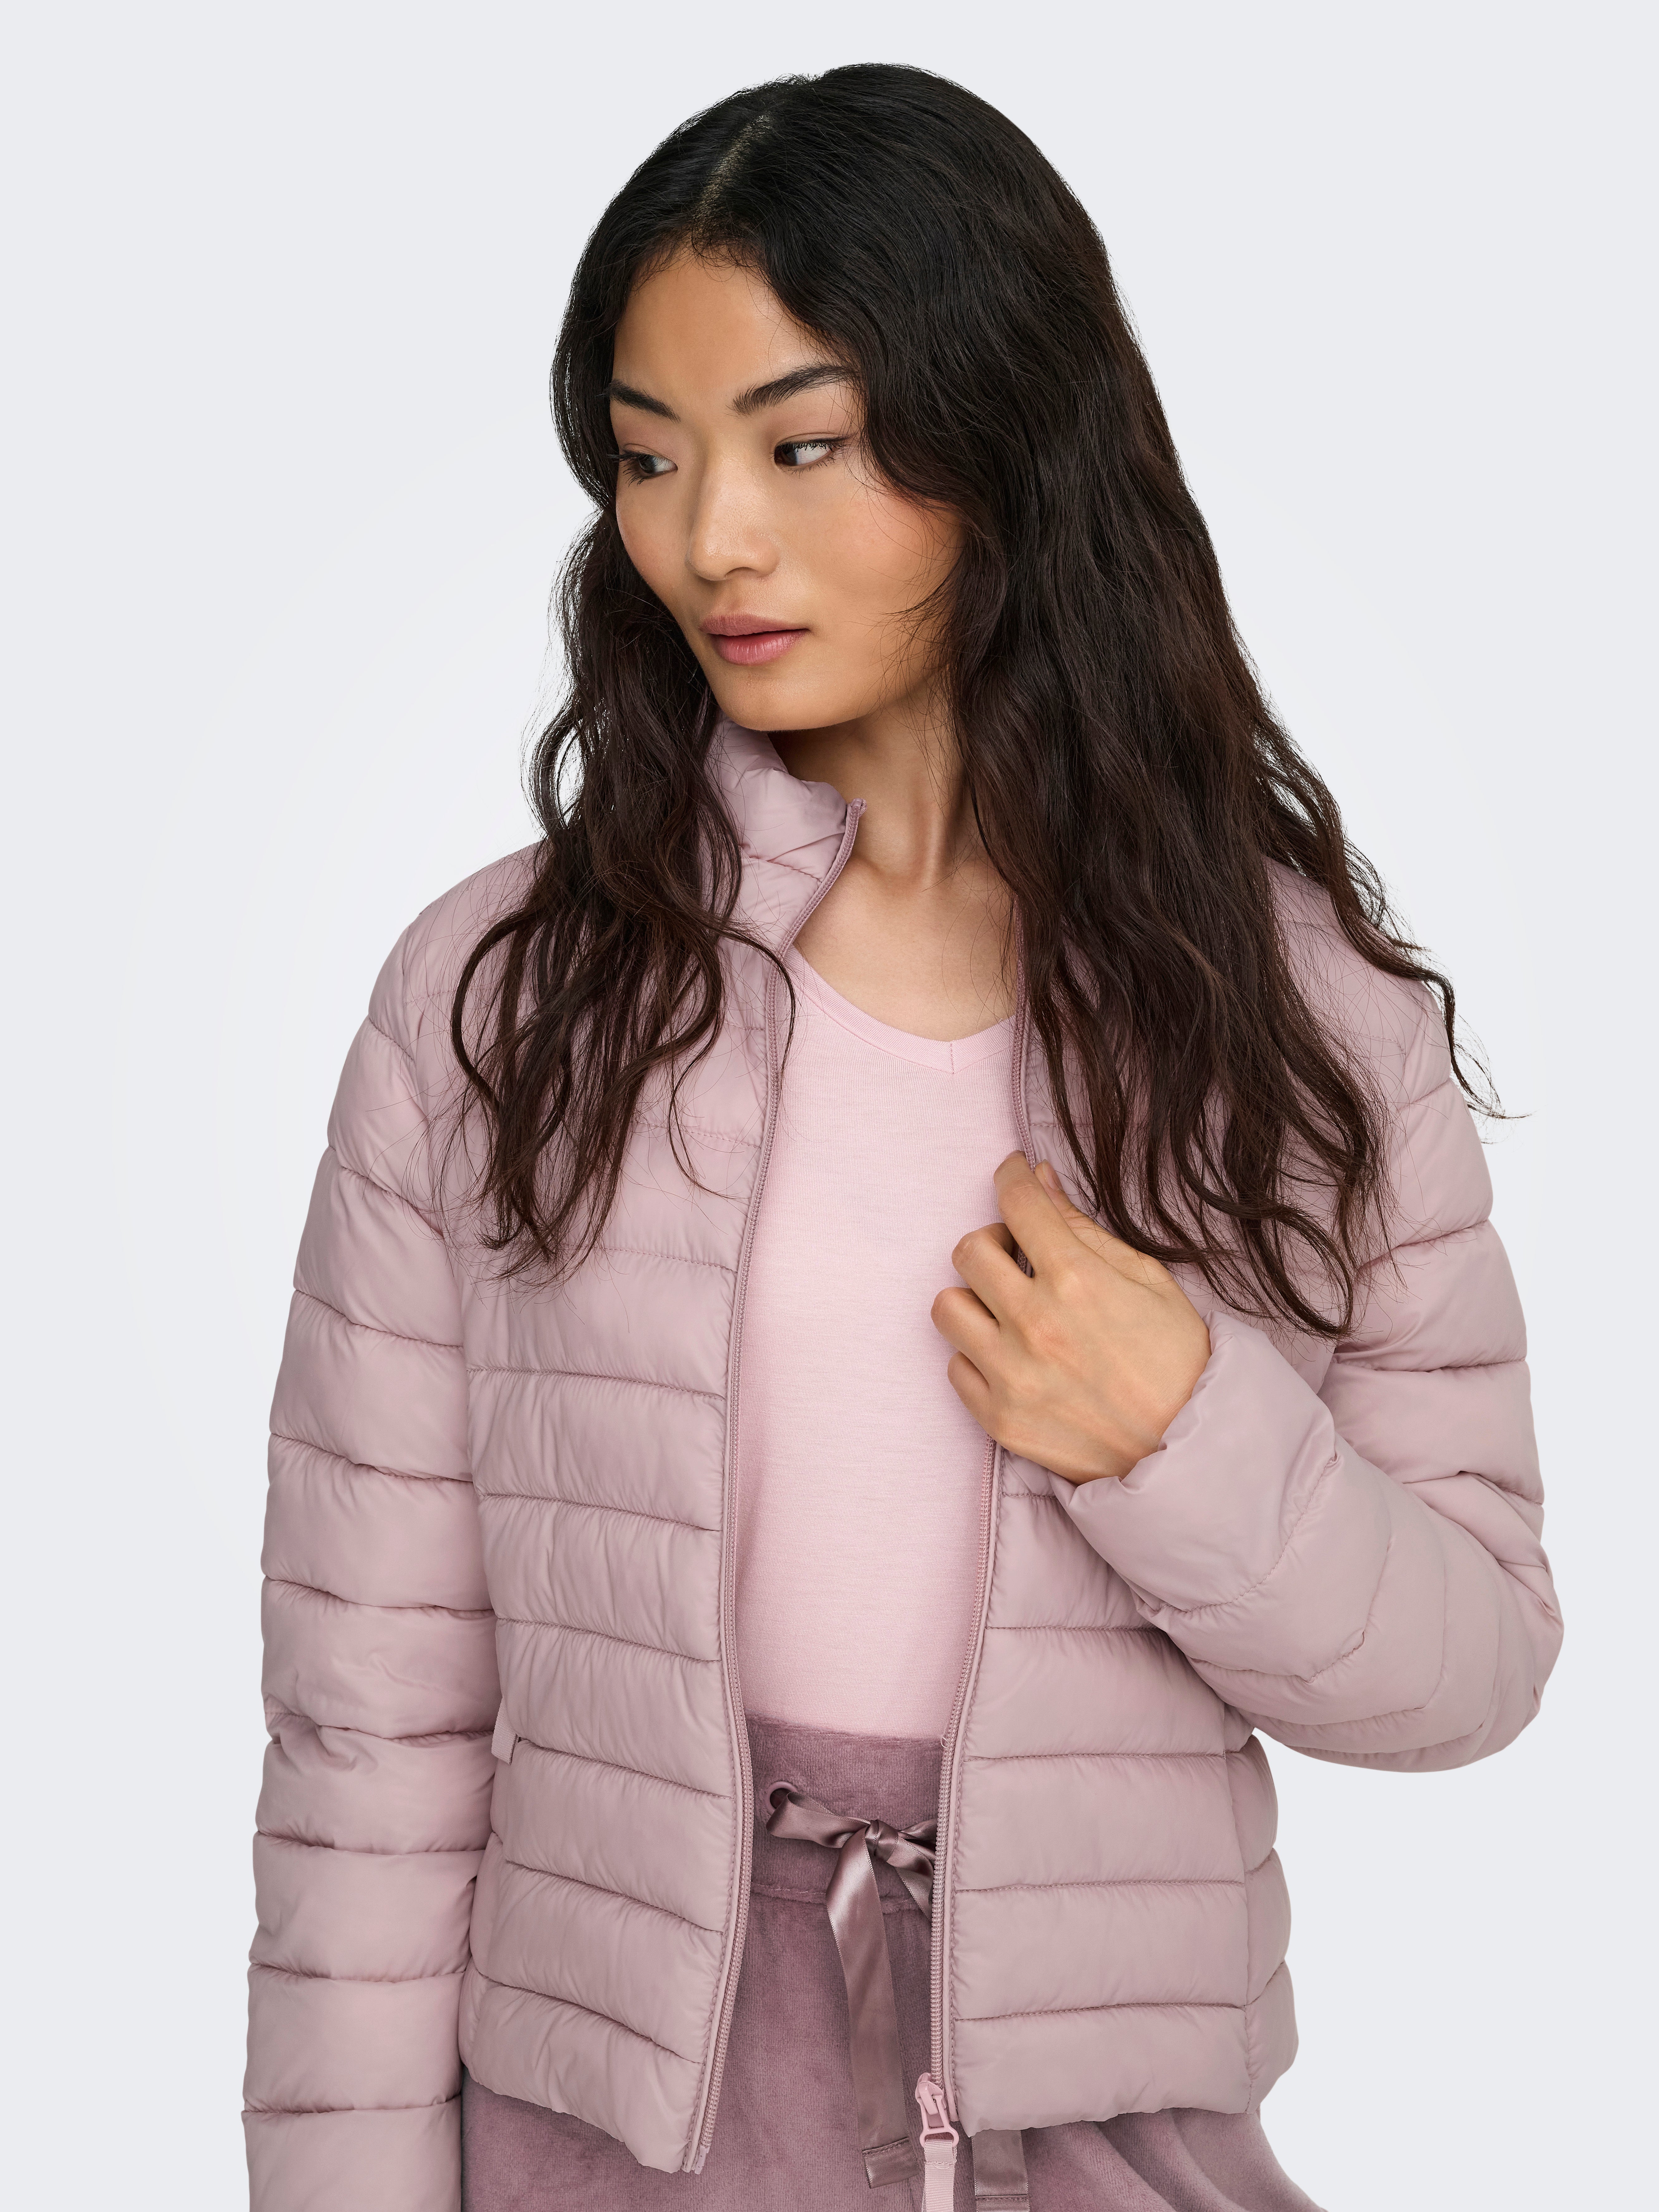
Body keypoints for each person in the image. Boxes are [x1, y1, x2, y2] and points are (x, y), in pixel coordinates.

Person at [242, 64, 1562, 2212]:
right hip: (617, 2133)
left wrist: (1181, 1431)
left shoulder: (1297, 1017)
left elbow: (1473, 1670)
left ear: (1004, 438)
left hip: (1095, 2135)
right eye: (649, 457)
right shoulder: (505, 1003)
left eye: (803, 444)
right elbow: (373, 1735)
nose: (710, 538)